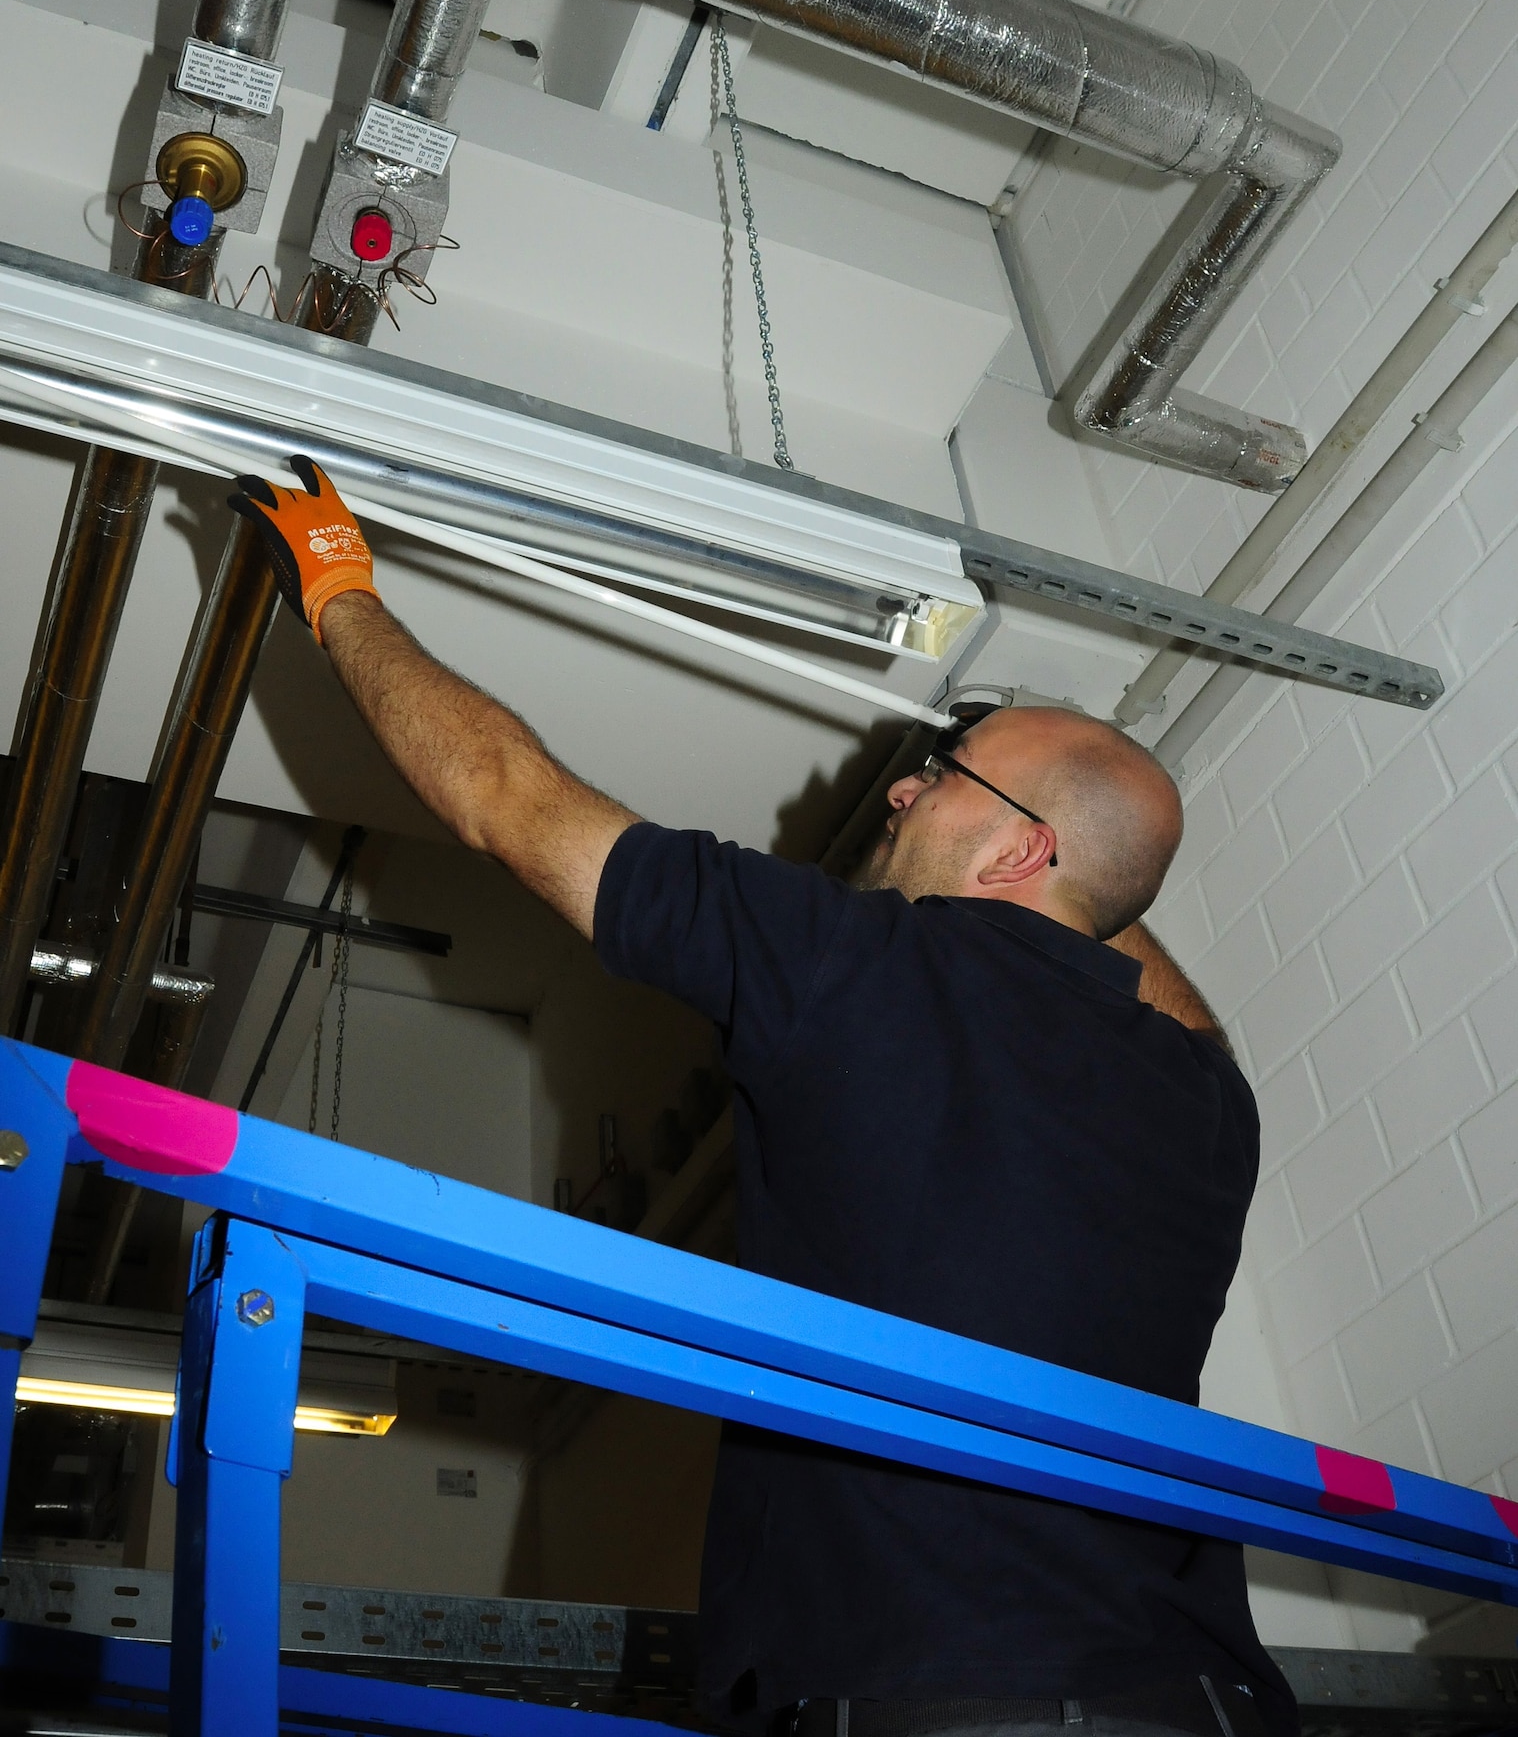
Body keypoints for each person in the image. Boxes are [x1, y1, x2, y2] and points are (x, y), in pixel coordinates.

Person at [230, 460, 1294, 1737]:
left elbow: (507, 800)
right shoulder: (1209, 1110)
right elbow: (1179, 1004)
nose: (903, 784)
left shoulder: (856, 959)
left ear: (1017, 850)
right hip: (1203, 1703)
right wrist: (1087, 881)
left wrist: (339, 585)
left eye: (946, 772)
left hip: (936, 1691)